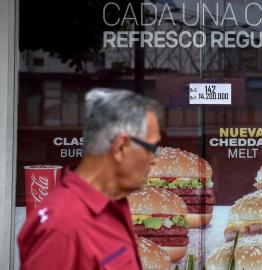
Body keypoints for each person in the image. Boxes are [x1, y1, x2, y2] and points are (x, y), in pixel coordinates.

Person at [18, 89, 161, 270]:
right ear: (121, 148)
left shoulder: (113, 205)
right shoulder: (61, 227)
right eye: (151, 148)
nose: (155, 158)